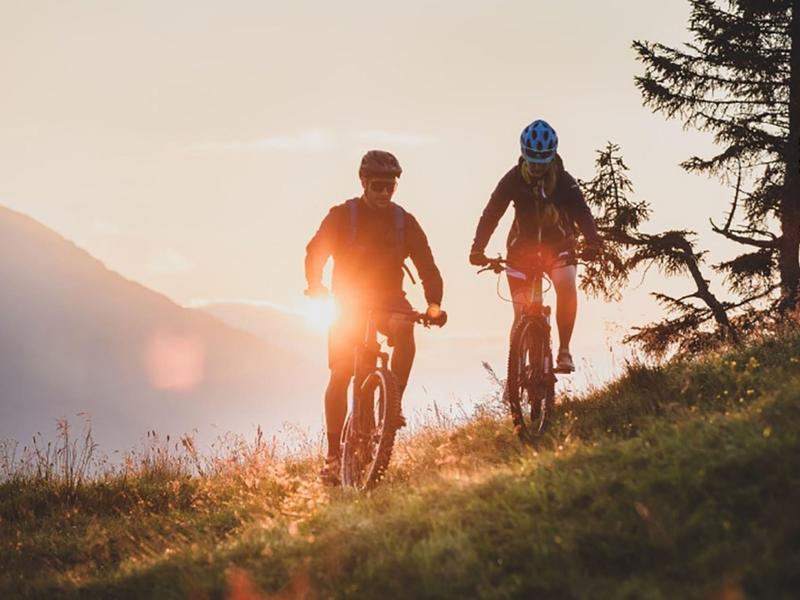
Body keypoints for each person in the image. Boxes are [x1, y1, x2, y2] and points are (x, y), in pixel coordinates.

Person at [305, 150, 444, 485]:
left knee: (405, 329)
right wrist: (315, 284)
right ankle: (333, 454)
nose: (385, 193)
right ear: (364, 183)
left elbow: (427, 265)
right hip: (349, 301)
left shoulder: (404, 221)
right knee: (341, 375)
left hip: (388, 299)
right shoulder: (342, 216)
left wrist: (434, 303)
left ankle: (392, 403)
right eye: (379, 186)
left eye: (391, 187)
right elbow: (316, 251)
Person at [469, 119, 602, 373]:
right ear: (523, 154)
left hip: (558, 246)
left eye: (543, 160)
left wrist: (592, 242)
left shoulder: (563, 180)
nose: (538, 166)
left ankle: (564, 351)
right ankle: (515, 373)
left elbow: (582, 213)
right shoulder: (512, 179)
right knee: (521, 313)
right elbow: (492, 213)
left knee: (566, 283)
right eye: (532, 159)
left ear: (551, 156)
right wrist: (478, 248)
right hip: (521, 250)